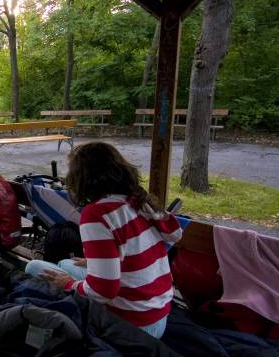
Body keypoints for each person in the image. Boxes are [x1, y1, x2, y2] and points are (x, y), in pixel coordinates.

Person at [25, 142, 182, 338]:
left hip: (131, 325)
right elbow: (172, 235)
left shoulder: (97, 214)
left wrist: (69, 284)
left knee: (33, 267)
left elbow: (104, 291)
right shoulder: (137, 200)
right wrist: (92, 263)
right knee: (65, 262)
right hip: (157, 316)